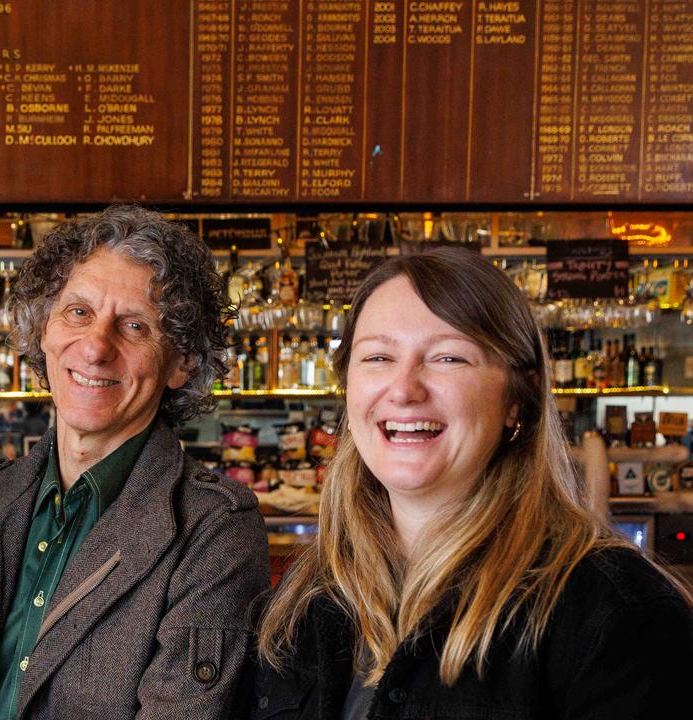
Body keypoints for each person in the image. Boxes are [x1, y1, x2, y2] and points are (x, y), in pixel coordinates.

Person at [0, 206, 270, 719]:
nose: (97, 347)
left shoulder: (213, 530)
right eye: (78, 312)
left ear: (182, 362)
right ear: (43, 332)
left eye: (134, 325)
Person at [254, 247, 693, 719]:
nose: (403, 389)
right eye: (378, 357)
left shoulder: (618, 615)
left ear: (516, 400)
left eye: (448, 358)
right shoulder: (305, 598)